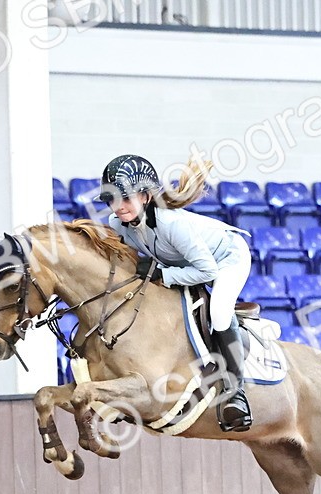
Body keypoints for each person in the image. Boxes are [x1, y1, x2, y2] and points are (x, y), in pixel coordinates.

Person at [99, 154, 254, 433]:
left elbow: (207, 272)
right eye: (111, 200)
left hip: (227, 258)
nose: (118, 207)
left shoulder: (171, 223)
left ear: (145, 196)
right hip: (183, 264)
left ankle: (235, 392)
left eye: (125, 199)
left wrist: (163, 276)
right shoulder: (118, 223)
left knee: (219, 314)